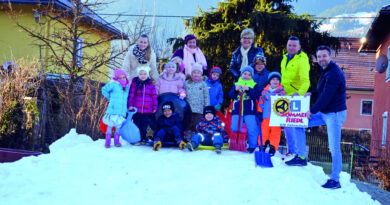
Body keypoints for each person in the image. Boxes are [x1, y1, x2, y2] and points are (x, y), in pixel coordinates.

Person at [304, 46, 347, 189]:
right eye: (319, 56)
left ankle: (335, 180)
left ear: (330, 56)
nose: (322, 59)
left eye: (324, 56)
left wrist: (312, 110)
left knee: (334, 147)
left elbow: (326, 96)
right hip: (325, 112)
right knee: (301, 122)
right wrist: (312, 93)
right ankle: (299, 155)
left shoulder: (334, 73)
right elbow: (321, 91)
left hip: (334, 114)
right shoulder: (325, 71)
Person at [281, 36, 311, 163]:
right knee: (287, 125)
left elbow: (306, 81)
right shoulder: (284, 58)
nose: (291, 47)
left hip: (296, 97)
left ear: (299, 47)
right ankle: (292, 151)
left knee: (297, 125)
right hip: (285, 96)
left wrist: (299, 94)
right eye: (289, 45)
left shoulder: (302, 60)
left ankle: (300, 153)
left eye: (294, 45)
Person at [229, 66, 261, 153]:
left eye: (249, 75)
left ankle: (252, 145)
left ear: (252, 76)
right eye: (245, 74)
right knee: (235, 127)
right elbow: (231, 95)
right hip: (237, 110)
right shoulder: (236, 84)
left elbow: (256, 95)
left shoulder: (254, 85)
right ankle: (235, 142)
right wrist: (235, 90)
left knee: (252, 128)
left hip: (250, 110)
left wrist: (249, 90)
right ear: (241, 74)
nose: (246, 76)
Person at [258, 72, 286, 156]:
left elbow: (285, 106)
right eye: (273, 79)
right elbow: (260, 102)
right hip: (266, 116)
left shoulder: (282, 92)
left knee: (275, 133)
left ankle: (272, 148)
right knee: (264, 132)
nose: (275, 81)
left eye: (277, 80)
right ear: (270, 81)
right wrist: (259, 112)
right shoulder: (265, 91)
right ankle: (262, 146)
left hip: (276, 118)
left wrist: (283, 119)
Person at [128, 66, 158, 145]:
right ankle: (136, 139)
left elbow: (154, 97)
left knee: (144, 125)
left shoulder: (151, 85)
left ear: (147, 75)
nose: (143, 76)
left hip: (147, 110)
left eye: (144, 74)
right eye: (141, 74)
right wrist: (130, 105)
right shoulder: (135, 84)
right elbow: (131, 95)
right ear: (138, 75)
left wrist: (155, 107)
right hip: (136, 109)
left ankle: (143, 139)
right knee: (137, 124)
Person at [101, 69, 130, 148]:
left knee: (118, 127)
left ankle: (116, 141)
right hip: (113, 109)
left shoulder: (127, 87)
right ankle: (107, 141)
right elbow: (104, 89)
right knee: (110, 125)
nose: (123, 79)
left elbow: (127, 98)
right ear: (117, 78)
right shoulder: (113, 84)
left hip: (121, 110)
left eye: (124, 77)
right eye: (120, 77)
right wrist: (109, 97)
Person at [184, 62, 210, 140]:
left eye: (198, 72)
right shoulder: (187, 83)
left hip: (199, 108)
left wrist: (207, 106)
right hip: (189, 107)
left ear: (201, 74)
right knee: (189, 122)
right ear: (191, 73)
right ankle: (188, 134)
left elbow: (206, 96)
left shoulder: (203, 84)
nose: (196, 74)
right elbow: (183, 92)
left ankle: (195, 136)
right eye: (194, 72)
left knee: (197, 122)